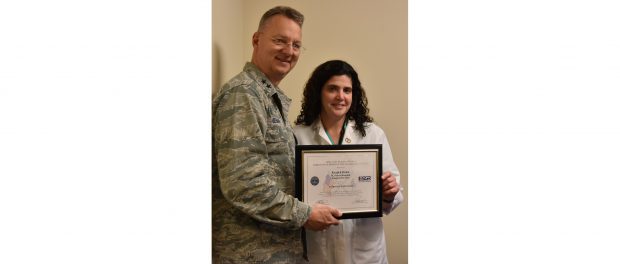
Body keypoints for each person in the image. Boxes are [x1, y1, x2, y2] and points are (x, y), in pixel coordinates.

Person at [212, 6, 342, 264]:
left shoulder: (267, 98)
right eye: (280, 40)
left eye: (296, 45)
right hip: (250, 253)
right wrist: (304, 214)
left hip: (277, 251)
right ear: (256, 40)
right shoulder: (244, 95)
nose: (289, 51)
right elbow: (244, 184)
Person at [293, 60, 404, 264]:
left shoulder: (373, 134)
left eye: (347, 90)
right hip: (319, 251)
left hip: (366, 253)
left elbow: (395, 195)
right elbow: (290, 196)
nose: (340, 97)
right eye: (332, 89)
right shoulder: (297, 136)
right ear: (319, 92)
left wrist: (389, 193)